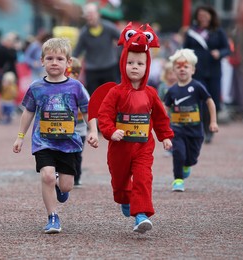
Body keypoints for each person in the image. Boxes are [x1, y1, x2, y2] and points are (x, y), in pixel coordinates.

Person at [89, 22, 173, 234]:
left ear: (147, 68)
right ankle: (124, 200)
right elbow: (104, 115)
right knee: (120, 184)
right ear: (123, 63)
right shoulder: (115, 92)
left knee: (143, 178)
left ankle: (141, 215)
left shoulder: (151, 93)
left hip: (143, 147)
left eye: (140, 64)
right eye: (131, 63)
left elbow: (161, 117)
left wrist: (165, 136)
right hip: (119, 148)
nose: (135, 67)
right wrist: (110, 131)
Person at [12, 38, 99, 234]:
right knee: (48, 176)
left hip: (68, 143)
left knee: (66, 186)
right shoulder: (36, 87)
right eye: (49, 58)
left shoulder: (76, 87)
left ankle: (61, 188)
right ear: (42, 61)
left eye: (59, 59)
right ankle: (53, 217)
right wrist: (20, 136)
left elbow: (88, 110)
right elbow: (28, 112)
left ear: (68, 63)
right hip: (43, 141)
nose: (54, 62)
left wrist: (93, 131)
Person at [164, 48, 219, 192]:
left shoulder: (197, 87)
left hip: (195, 130)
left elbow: (210, 102)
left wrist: (213, 122)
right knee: (178, 153)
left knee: (191, 158)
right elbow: (165, 107)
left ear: (193, 70)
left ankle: (188, 164)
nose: (182, 69)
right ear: (174, 70)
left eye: (186, 66)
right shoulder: (172, 90)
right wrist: (163, 125)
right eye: (178, 67)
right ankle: (178, 179)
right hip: (177, 129)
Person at [183, 5, 230, 143]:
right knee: (201, 100)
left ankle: (210, 128)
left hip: (214, 71)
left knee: (212, 100)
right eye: (200, 15)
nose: (202, 17)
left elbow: (227, 48)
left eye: (205, 15)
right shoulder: (192, 32)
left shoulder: (218, 31)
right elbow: (185, 49)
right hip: (198, 71)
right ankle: (202, 129)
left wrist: (219, 53)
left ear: (210, 16)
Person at [73, 2, 121, 96]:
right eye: (88, 14)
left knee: (111, 96)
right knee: (94, 97)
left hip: (109, 67)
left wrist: (122, 53)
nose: (90, 17)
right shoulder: (84, 33)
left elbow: (122, 39)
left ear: (98, 14)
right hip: (92, 70)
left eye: (92, 14)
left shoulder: (109, 28)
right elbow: (77, 52)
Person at [66, 57, 96, 186]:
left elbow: (87, 109)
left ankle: (76, 177)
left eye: (68, 72)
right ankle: (65, 175)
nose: (65, 75)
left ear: (76, 74)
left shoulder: (81, 90)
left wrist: (92, 129)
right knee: (64, 153)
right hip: (65, 129)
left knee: (77, 153)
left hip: (79, 129)